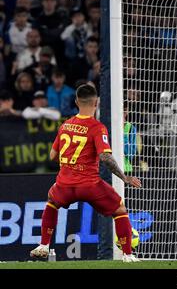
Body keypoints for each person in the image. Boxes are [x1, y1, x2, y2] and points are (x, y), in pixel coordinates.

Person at [30, 84, 142, 262]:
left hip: (65, 184)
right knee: (120, 209)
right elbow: (105, 157)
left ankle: (43, 245)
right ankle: (128, 255)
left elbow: (52, 155)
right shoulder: (97, 127)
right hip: (90, 185)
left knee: (52, 201)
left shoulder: (65, 125)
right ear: (96, 103)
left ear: (76, 102)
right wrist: (124, 177)